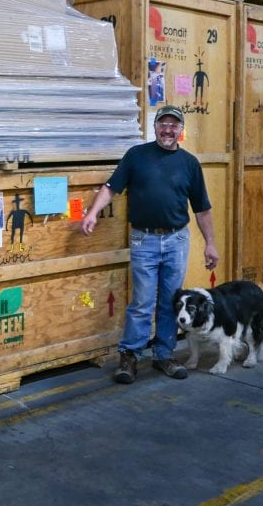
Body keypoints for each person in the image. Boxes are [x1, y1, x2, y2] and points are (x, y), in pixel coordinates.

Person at [81, 104, 219, 384]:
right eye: (163, 124)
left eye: (174, 125)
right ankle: (130, 356)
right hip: (143, 239)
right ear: (154, 126)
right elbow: (111, 188)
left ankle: (163, 355)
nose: (168, 130)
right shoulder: (136, 156)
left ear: (181, 130)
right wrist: (92, 212)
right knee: (143, 301)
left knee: (171, 302)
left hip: (177, 240)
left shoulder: (190, 163)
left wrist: (210, 244)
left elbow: (202, 209)